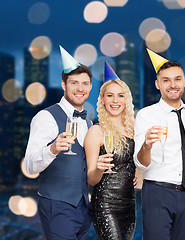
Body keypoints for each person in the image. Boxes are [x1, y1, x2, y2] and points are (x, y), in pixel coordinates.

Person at [24, 45, 93, 239]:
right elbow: (29, 166)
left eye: (85, 83)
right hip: (57, 206)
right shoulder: (45, 117)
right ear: (64, 85)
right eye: (74, 83)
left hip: (83, 208)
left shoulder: (88, 121)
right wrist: (52, 149)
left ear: (90, 87)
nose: (80, 88)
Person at [134, 48, 185, 240]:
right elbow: (140, 163)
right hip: (158, 193)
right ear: (157, 84)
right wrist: (146, 146)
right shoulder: (146, 115)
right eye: (166, 80)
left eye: (177, 79)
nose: (173, 85)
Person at [84, 61, 136, 240]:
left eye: (120, 95)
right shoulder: (96, 131)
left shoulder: (134, 130)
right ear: (103, 99)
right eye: (110, 95)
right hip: (106, 206)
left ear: (126, 100)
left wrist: (139, 175)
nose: (115, 101)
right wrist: (99, 168)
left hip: (130, 205)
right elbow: (91, 179)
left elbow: (138, 164)